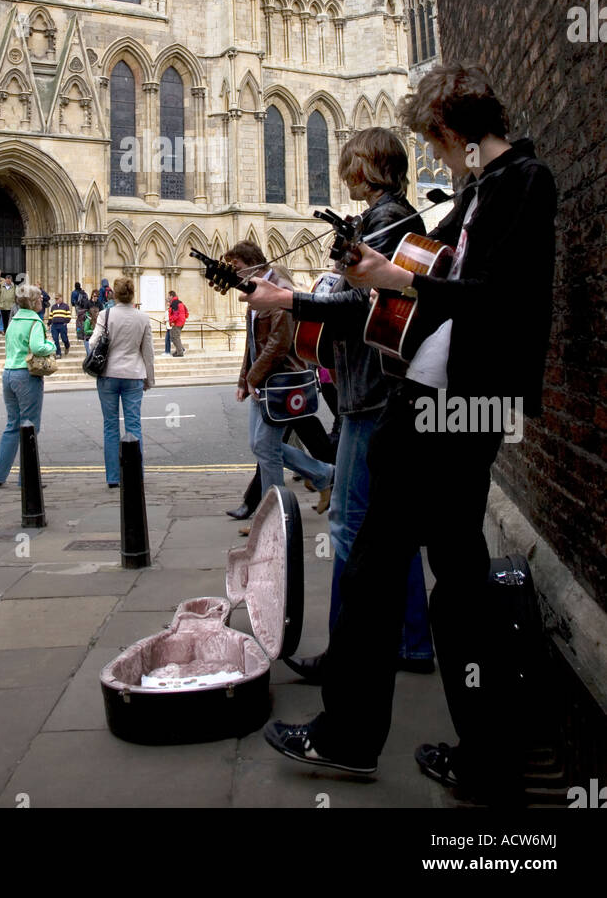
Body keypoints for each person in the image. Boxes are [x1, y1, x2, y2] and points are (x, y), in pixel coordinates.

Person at [254, 65, 556, 806]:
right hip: (428, 402)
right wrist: (303, 295)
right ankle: (486, 758)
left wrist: (402, 282)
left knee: (375, 568)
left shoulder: (524, 183)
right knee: (457, 582)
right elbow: (397, 311)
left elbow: (500, 303)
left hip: (457, 410)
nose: (440, 162)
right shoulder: (469, 201)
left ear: (453, 133)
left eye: (439, 147)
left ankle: (349, 736)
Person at [279, 128, 434, 678]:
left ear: (367, 166)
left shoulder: (392, 222)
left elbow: (361, 304)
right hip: (369, 389)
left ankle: (346, 653)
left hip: (372, 392)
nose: (344, 174)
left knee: (347, 520)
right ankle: (414, 643)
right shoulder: (384, 220)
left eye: (350, 164)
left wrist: (292, 300)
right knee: (391, 524)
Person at [226, 241, 335, 499]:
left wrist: (253, 378)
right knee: (261, 446)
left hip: (278, 380)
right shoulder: (256, 292)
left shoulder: (277, 290)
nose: (235, 273)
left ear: (252, 263)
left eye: (237, 267)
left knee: (265, 447)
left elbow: (279, 342)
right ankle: (323, 474)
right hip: (262, 381)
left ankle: (272, 511)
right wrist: (244, 380)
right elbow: (251, 342)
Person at [88, 276, 155, 488]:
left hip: (108, 374)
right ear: (132, 294)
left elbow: (92, 342)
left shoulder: (105, 315)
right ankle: (136, 474)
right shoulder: (143, 318)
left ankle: (113, 478)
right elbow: (148, 353)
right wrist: (149, 379)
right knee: (134, 425)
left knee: (110, 426)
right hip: (134, 375)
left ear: (114, 294)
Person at [0, 284, 57, 487]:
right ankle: (27, 478)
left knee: (12, 425)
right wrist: (51, 346)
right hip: (26, 375)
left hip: (8, 373)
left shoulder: (14, 320)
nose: (42, 302)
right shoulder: (34, 321)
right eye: (40, 300)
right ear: (34, 302)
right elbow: (37, 347)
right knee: (30, 427)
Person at [167, 292, 188, 356]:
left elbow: (176, 314)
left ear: (172, 296)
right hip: (180, 321)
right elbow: (186, 312)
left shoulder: (174, 303)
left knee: (175, 337)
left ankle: (180, 352)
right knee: (174, 336)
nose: (168, 297)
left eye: (169, 296)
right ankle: (179, 349)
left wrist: (172, 321)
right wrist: (183, 318)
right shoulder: (179, 302)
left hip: (177, 322)